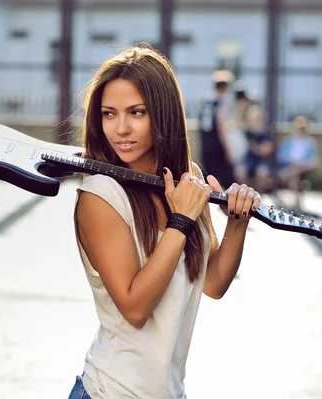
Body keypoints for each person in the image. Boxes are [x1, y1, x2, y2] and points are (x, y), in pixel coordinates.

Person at [67, 43, 261, 399]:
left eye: (136, 112)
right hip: (109, 391)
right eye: (109, 114)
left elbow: (213, 282)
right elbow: (136, 307)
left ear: (164, 113)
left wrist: (237, 220)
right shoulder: (101, 196)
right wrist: (181, 220)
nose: (121, 128)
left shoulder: (190, 178)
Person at [197, 69, 236, 189]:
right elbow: (221, 127)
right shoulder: (221, 103)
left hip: (206, 146)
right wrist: (228, 150)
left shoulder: (205, 102)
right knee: (230, 182)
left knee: (206, 180)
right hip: (217, 147)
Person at [277, 115, 320, 210]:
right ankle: (295, 203)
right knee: (295, 174)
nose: (301, 130)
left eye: (303, 128)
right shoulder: (288, 141)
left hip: (303, 169)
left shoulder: (310, 143)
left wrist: (303, 166)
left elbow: (315, 161)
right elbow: (281, 156)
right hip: (289, 166)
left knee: (295, 173)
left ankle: (292, 201)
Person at [235, 104, 274, 191]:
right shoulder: (246, 132)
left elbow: (267, 150)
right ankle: (244, 194)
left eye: (258, 119)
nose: (256, 121)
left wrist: (255, 148)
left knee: (262, 173)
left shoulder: (266, 134)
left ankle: (258, 194)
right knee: (241, 173)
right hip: (248, 160)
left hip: (261, 161)